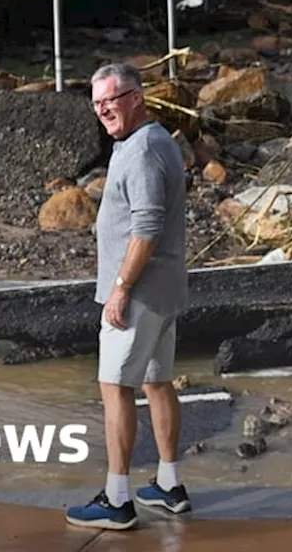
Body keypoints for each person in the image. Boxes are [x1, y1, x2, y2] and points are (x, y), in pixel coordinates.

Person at [66, 63, 192, 530]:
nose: (103, 110)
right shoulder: (157, 141)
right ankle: (168, 485)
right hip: (162, 291)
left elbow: (147, 226)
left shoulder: (141, 150)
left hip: (138, 292)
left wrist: (119, 289)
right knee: (157, 383)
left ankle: (117, 499)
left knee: (115, 388)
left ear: (136, 97)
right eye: (97, 103)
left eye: (111, 100)